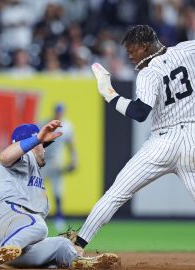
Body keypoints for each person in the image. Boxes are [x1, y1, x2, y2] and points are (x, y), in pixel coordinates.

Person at [74, 25, 195, 252]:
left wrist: (108, 94)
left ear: (145, 46)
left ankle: (78, 246)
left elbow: (139, 113)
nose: (129, 56)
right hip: (192, 142)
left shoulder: (148, 73)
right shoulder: (187, 49)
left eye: (132, 50)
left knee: (117, 193)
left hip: (163, 142)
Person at [0, 120, 119, 269]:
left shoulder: (36, 177)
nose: (45, 150)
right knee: (40, 226)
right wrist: (37, 139)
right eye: (43, 145)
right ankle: (4, 250)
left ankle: (79, 262)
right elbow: (5, 156)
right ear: (32, 145)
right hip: (6, 221)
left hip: (20, 236)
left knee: (62, 245)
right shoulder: (24, 157)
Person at [40, 103, 78, 231]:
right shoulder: (45, 124)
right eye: (57, 111)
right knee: (36, 187)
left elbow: (71, 144)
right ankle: (37, 216)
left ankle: (59, 218)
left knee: (57, 191)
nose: (59, 113)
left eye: (61, 111)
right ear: (54, 112)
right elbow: (36, 142)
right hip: (43, 161)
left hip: (57, 162)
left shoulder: (67, 126)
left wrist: (74, 159)